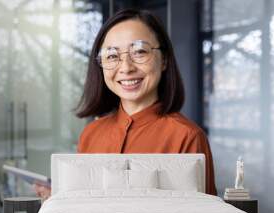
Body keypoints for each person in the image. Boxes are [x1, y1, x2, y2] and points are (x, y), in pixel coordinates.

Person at [34, 8, 217, 198]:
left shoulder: (187, 137)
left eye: (139, 52)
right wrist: (60, 199)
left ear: (164, 60)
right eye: (112, 55)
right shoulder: (91, 134)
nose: (126, 68)